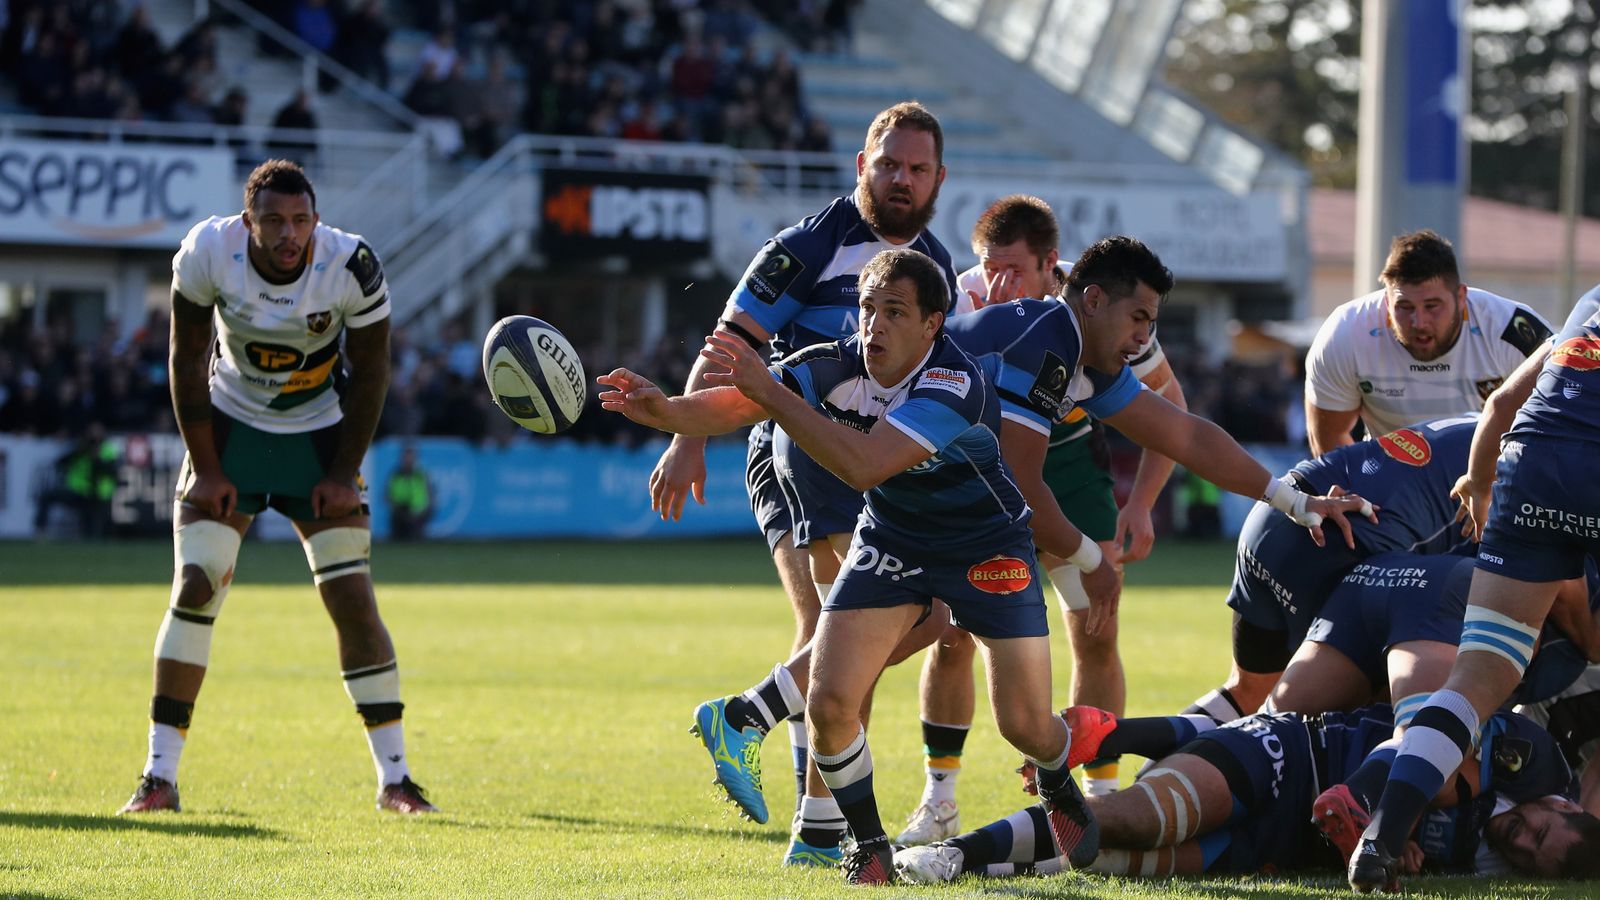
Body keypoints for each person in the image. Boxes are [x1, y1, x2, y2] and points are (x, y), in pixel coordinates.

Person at [601, 249, 1099, 885]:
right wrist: (668, 411)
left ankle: (1056, 778)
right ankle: (868, 847)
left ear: (933, 324)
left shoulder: (955, 383)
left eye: (895, 312)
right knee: (832, 703)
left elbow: (862, 465)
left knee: (1024, 725)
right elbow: (736, 405)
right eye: (867, 309)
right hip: (894, 539)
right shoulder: (835, 364)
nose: (874, 325)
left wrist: (770, 394)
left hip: (986, 545)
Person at [651, 101, 959, 864]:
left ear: (939, 179)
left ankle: (813, 825)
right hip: (802, 450)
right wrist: (689, 438)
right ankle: (773, 757)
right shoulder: (807, 245)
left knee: (836, 632)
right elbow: (731, 343)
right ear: (862, 166)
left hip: (873, 461)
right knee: (869, 625)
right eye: (889, 165)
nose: (902, 180)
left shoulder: (935, 266)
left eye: (917, 169)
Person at [116, 160, 436, 816]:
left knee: (352, 599)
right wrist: (207, 468)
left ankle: (396, 781)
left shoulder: (352, 266)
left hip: (318, 438)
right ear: (248, 223)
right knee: (196, 585)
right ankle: (158, 777)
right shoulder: (208, 251)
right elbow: (185, 359)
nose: (289, 233)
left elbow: (373, 372)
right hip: (229, 430)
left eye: (300, 220)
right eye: (274, 221)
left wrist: (342, 473)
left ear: (316, 219)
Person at [898, 197, 1187, 849]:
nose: (994, 281)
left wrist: (1141, 502)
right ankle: (939, 798)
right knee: (952, 633)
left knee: (1096, 630)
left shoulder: (1105, 307)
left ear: (1052, 267)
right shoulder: (962, 301)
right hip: (987, 474)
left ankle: (1102, 798)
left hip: (1073, 472)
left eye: (1012, 269)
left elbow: (1172, 404)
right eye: (986, 266)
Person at [1345, 287, 1600, 891]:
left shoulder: (1589, 303)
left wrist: (1481, 483)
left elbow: (1506, 401)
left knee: (1476, 680)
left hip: (1531, 463)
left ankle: (1382, 836)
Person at [894, 704, 1600, 883]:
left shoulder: (1496, 868)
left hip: (1284, 844)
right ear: (1561, 805)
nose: (1519, 840)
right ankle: (955, 853)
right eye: (1538, 830)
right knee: (1146, 819)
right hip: (1295, 757)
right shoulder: (1527, 764)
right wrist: (1397, 826)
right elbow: (1433, 752)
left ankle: (985, 866)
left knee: (1115, 860)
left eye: (1528, 857)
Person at [1181, 415, 1479, 723]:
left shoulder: (1476, 423)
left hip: (1281, 510)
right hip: (1333, 543)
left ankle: (1162, 752)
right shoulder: (1510, 458)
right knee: (1361, 722)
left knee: (1246, 694)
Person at [1304, 229, 1551, 457]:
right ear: (1387, 302)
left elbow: (1559, 424)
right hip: (1394, 476)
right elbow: (1330, 441)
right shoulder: (1345, 334)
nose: (1419, 322)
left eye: (1432, 306)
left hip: (1494, 473)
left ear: (1461, 297)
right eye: (1404, 307)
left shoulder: (1510, 329)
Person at [32, 421, 118, 539]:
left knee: (92, 533)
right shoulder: (81, 447)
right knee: (47, 496)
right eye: (92, 431)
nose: (94, 435)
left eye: (97, 431)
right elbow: (60, 463)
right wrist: (78, 451)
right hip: (77, 491)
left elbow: (112, 472)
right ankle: (40, 531)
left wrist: (97, 459)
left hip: (97, 495)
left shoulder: (108, 449)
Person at [385, 444, 432, 541]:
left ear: (415, 458)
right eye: (406, 457)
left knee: (416, 537)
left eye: (410, 457)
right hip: (399, 513)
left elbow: (430, 496)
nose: (408, 460)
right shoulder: (395, 475)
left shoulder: (421, 475)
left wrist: (420, 512)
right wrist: (397, 509)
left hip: (418, 514)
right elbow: (387, 495)